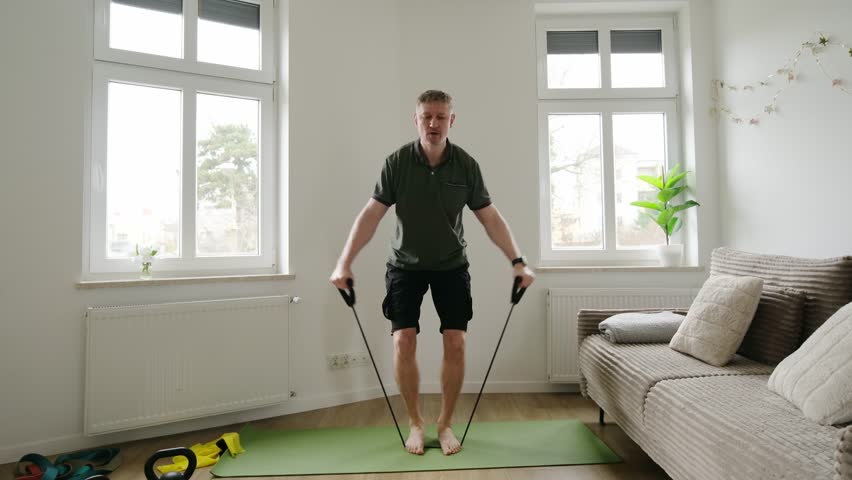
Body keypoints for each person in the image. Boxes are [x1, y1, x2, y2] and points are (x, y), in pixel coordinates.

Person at [330, 90, 535, 456]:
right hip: (404, 266)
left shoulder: (466, 165)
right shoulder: (397, 163)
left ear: (451, 120)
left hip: (451, 266)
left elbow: (490, 218)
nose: (434, 123)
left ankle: (443, 424)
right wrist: (344, 262)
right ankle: (415, 422)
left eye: (441, 116)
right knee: (402, 340)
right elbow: (371, 216)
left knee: (455, 341)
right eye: (427, 116)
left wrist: (517, 261)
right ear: (416, 119)